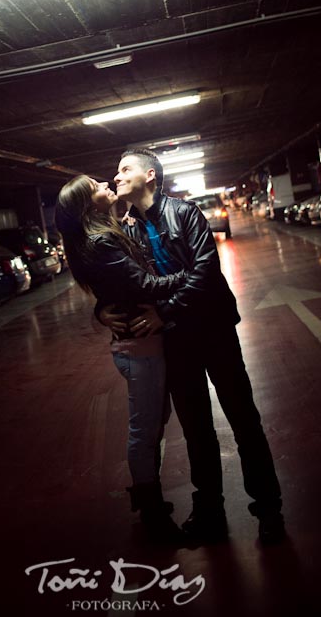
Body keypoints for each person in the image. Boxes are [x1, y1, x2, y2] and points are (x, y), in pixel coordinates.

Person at [98, 147, 285, 546]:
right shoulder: (128, 231)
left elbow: (205, 273)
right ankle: (210, 513)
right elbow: (120, 282)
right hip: (176, 343)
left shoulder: (185, 214)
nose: (116, 176)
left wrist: (164, 311)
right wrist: (102, 312)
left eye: (124, 168)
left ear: (150, 176)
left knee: (243, 420)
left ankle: (268, 510)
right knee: (197, 431)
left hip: (214, 331)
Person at [55, 174, 189, 544]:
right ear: (88, 205)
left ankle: (151, 501)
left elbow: (118, 286)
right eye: (95, 185)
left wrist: (100, 310)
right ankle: (151, 513)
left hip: (141, 343)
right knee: (144, 432)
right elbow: (144, 285)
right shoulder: (100, 243)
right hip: (138, 347)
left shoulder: (109, 232)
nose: (104, 183)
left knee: (154, 425)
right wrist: (195, 274)